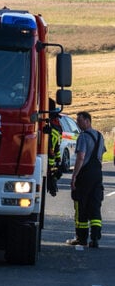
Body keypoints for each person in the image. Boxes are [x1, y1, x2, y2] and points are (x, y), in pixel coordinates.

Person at [68, 111, 106, 247]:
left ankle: (81, 238)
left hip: (84, 175)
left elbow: (81, 157)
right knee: (95, 205)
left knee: (81, 206)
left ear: (87, 121)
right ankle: (95, 238)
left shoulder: (83, 137)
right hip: (97, 174)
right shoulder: (100, 136)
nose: (78, 123)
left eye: (80, 121)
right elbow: (100, 156)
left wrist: (74, 176)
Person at [46, 99, 62, 197]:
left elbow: (55, 146)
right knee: (55, 173)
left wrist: (57, 159)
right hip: (49, 159)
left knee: (55, 173)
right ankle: (52, 185)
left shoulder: (53, 126)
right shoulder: (55, 126)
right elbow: (55, 146)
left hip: (50, 160)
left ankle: (52, 185)